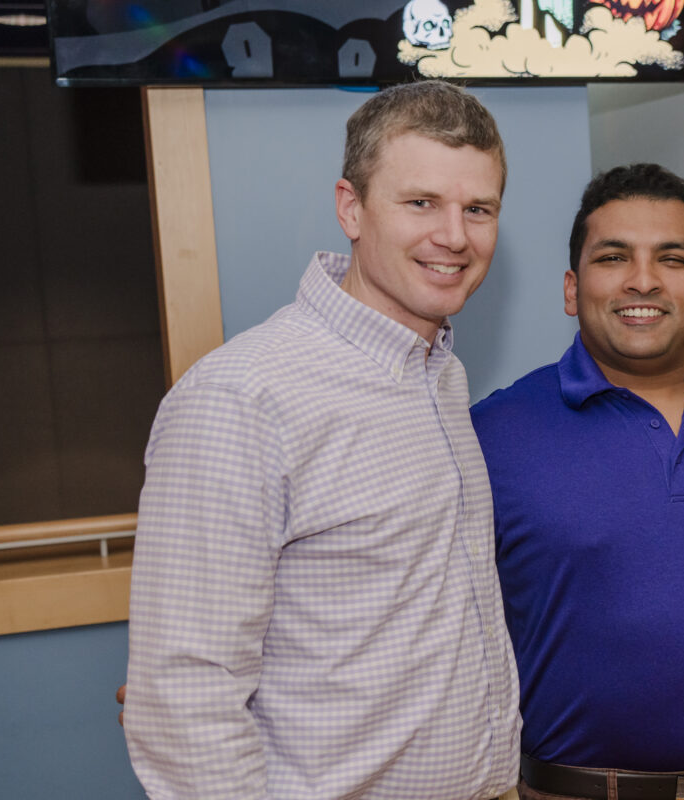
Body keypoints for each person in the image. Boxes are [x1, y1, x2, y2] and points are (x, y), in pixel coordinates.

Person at [122, 81, 520, 800]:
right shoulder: (242, 397)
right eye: (421, 202)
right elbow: (185, 696)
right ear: (351, 208)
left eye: (478, 209)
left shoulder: (442, 378)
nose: (455, 236)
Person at [470, 163, 684, 800]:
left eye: (670, 259)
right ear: (571, 287)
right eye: (614, 256)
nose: (642, 280)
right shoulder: (492, 433)